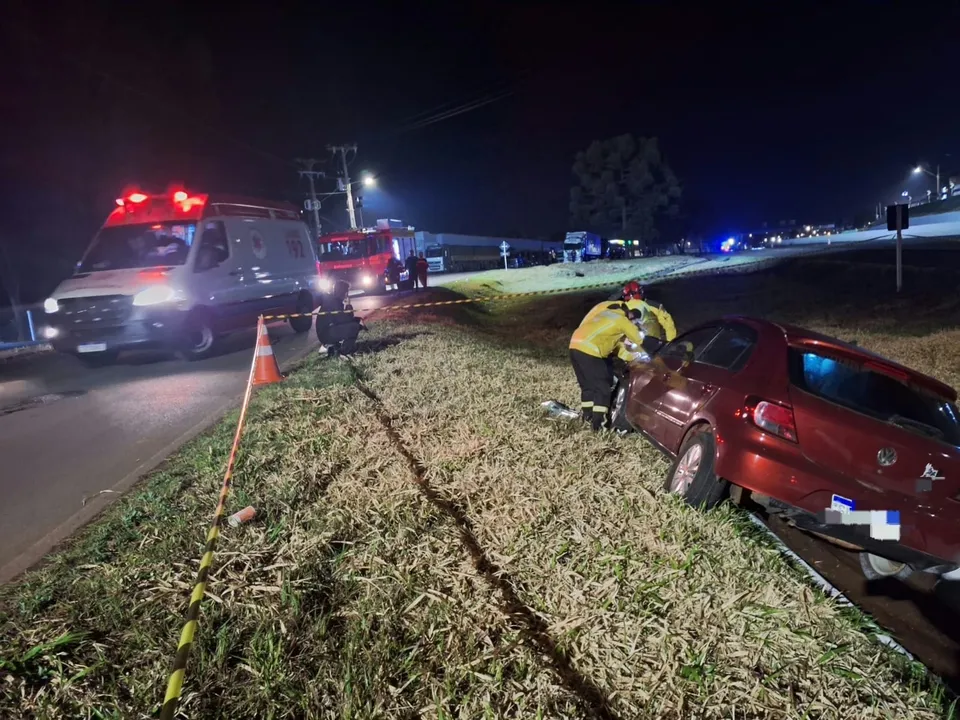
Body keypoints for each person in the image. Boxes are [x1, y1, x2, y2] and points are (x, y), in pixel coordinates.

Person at [569, 302, 646, 431]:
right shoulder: (622, 320)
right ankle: (598, 425)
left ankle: (587, 417)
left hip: (575, 346)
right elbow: (640, 340)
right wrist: (649, 350)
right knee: (603, 389)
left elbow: (617, 348)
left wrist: (635, 356)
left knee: (588, 387)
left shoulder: (607, 315)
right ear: (630, 315)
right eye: (634, 321)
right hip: (590, 350)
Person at [316, 279, 363, 358]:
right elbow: (344, 320)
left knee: (355, 324)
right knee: (354, 327)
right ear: (344, 292)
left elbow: (343, 318)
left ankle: (338, 348)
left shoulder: (334, 300)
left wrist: (358, 319)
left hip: (327, 331)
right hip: (326, 334)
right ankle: (345, 352)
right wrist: (348, 305)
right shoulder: (334, 302)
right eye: (347, 291)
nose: (347, 294)